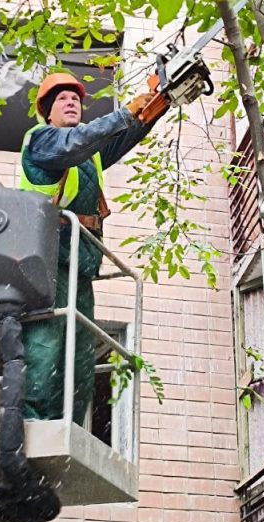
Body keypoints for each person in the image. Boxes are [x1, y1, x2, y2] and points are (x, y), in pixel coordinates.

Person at [18, 72, 166, 424]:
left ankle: (67, 424)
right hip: (46, 258)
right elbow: (82, 139)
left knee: (81, 354)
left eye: (76, 99)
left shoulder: (88, 155)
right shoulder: (43, 141)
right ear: (47, 112)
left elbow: (122, 135)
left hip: (80, 263)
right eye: (62, 99)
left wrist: (159, 102)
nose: (72, 103)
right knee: (45, 344)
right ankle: (33, 425)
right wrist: (125, 112)